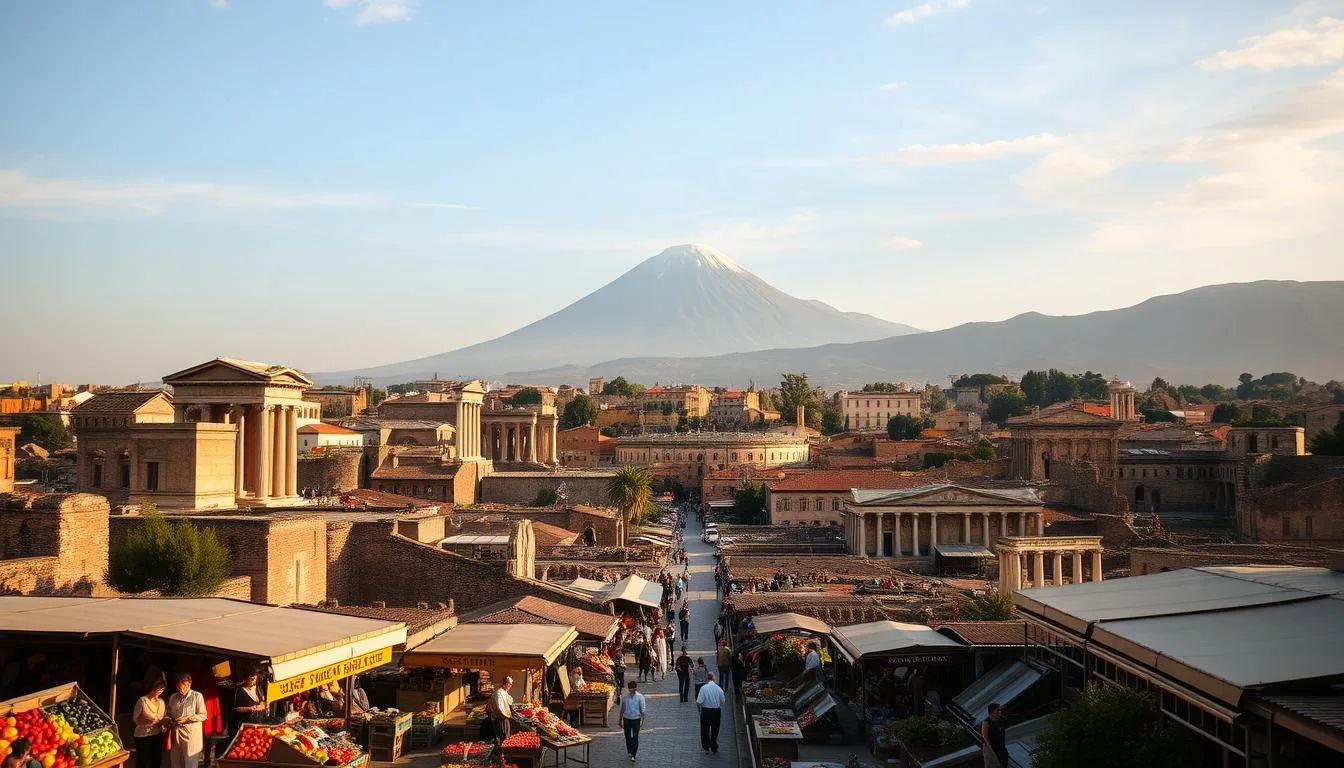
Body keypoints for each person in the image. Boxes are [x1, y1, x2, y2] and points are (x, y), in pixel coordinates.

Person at [165, 673, 207, 768]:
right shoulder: (173, 697)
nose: (181, 690)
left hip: (190, 736)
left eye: (183, 688)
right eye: (179, 688)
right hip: (176, 735)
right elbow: (169, 713)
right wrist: (169, 720)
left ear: (189, 684)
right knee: (176, 762)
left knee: (190, 763)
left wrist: (188, 718)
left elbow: (203, 715)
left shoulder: (197, 696)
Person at [132, 677, 167, 768]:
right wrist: (148, 721)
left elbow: (163, 717)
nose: (159, 692)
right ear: (152, 688)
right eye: (157, 690)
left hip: (157, 733)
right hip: (143, 735)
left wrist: (164, 722)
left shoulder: (161, 702)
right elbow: (136, 719)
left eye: (161, 690)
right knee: (143, 760)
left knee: (156, 759)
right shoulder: (143, 700)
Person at [695, 672, 726, 755]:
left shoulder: (703, 688)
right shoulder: (718, 688)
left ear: (707, 678)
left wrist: (699, 711)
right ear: (714, 678)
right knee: (715, 729)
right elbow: (723, 701)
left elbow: (698, 702)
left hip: (706, 711)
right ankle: (714, 745)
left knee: (705, 729)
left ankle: (706, 746)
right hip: (716, 711)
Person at [619, 681, 647, 762]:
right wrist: (620, 720)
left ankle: (633, 754)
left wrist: (642, 720)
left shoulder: (640, 697)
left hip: (636, 719)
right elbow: (622, 709)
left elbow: (642, 710)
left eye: (633, 689)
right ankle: (630, 749)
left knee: (635, 736)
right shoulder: (625, 698)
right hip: (627, 719)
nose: (631, 691)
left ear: (635, 688)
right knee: (627, 736)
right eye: (630, 689)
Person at [231, 670, 265, 734]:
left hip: (259, 724)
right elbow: (236, 709)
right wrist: (250, 708)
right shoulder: (239, 690)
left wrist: (261, 705)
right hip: (246, 726)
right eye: (251, 677)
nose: (253, 679)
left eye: (255, 676)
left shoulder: (258, 688)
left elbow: (263, 701)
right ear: (245, 678)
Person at [487, 675, 514, 748]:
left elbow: (510, 701)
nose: (511, 686)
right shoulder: (499, 693)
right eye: (510, 684)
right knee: (502, 737)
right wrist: (507, 716)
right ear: (506, 683)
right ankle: (501, 752)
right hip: (500, 719)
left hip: (504, 718)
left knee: (505, 737)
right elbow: (499, 709)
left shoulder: (504, 692)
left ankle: (504, 751)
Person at [981, 703, 1009, 768]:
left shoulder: (1000, 720)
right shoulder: (986, 722)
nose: (1000, 711)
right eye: (997, 710)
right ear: (991, 712)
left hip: (1002, 749)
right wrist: (991, 749)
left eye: (1000, 710)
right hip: (993, 751)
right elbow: (985, 736)